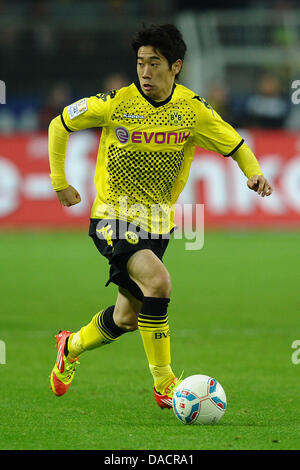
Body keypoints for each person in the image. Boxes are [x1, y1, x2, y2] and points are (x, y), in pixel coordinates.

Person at [48, 24, 272, 409]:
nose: (145, 72)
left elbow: (236, 144)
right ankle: (165, 382)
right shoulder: (114, 103)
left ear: (176, 66)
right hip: (112, 217)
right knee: (159, 281)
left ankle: (70, 345)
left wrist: (254, 172)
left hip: (157, 225)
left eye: (155, 63)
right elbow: (60, 124)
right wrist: (59, 183)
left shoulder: (192, 110)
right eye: (140, 63)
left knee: (127, 317)